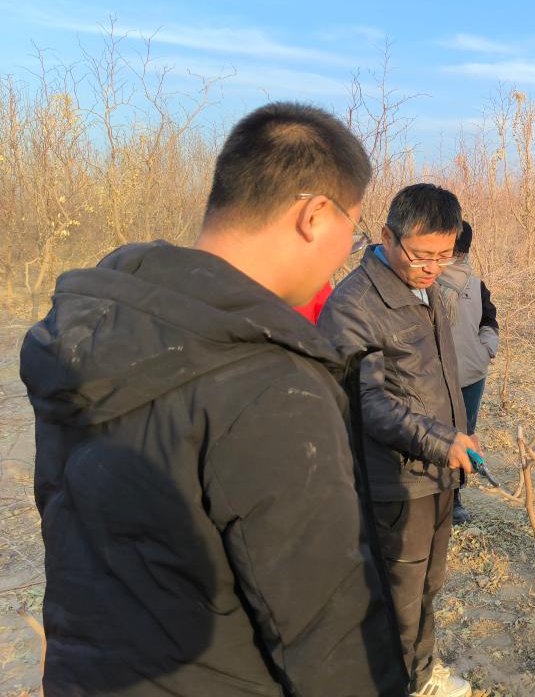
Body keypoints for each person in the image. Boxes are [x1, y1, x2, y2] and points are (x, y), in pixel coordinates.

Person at [19, 102, 407, 696]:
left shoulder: (96, 332)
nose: (344, 251)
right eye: (351, 230)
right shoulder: (271, 384)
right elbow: (329, 633)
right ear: (314, 216)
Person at [318, 183, 477, 697]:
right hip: (394, 482)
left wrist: (453, 435)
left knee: (429, 585)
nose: (433, 267)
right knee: (397, 596)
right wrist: (440, 440)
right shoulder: (354, 305)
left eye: (444, 255)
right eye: (422, 255)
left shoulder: (426, 289)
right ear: (387, 237)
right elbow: (365, 402)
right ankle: (394, 682)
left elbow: (434, 377)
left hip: (436, 472)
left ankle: (420, 674)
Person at [435, 220, 500, 525]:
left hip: (471, 375)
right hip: (435, 375)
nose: (455, 256)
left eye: (458, 250)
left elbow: (490, 320)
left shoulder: (476, 285)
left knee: (465, 434)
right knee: (436, 434)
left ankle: (456, 496)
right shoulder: (426, 281)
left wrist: (485, 349)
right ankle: (435, 494)